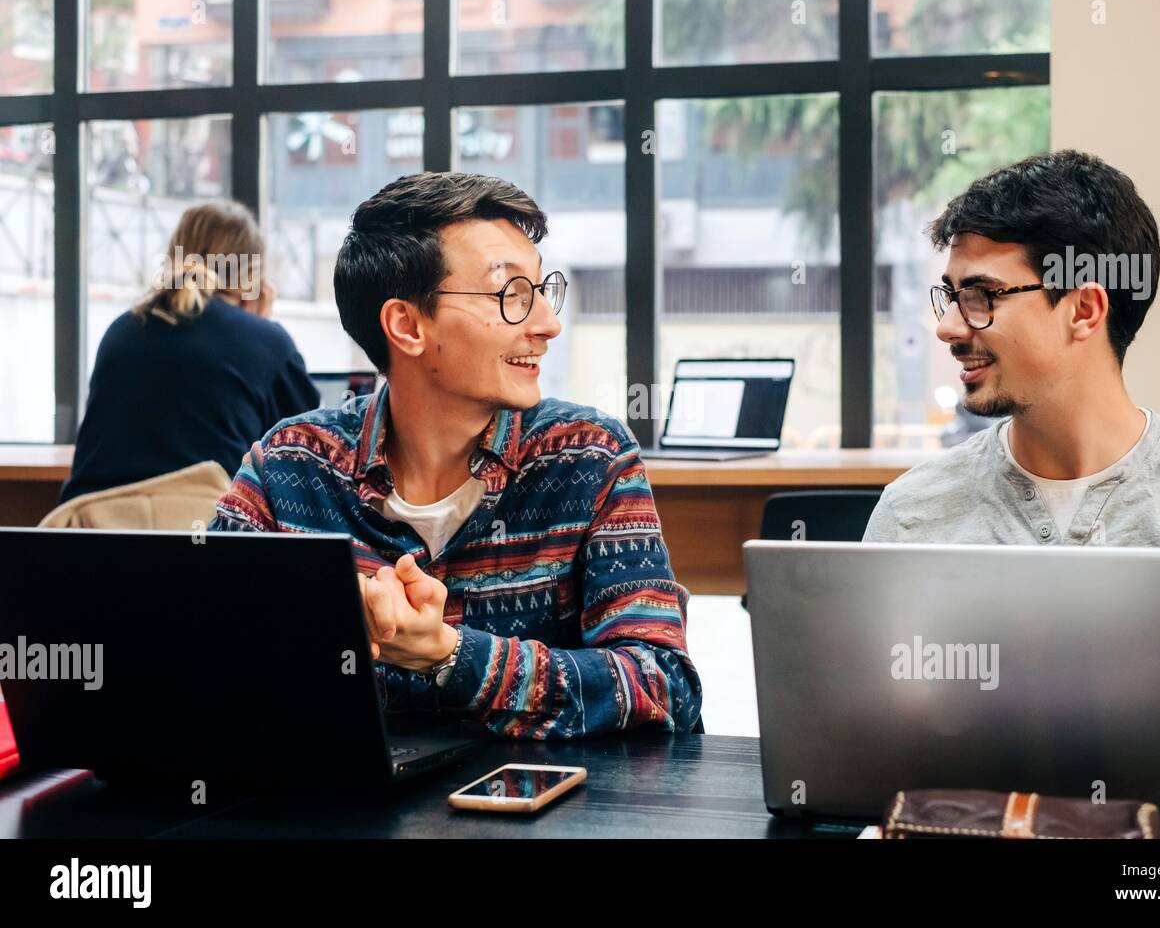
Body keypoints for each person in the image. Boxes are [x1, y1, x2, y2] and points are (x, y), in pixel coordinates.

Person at [210, 171, 703, 739]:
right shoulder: (288, 466)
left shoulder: (589, 457)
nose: (548, 323)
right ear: (407, 325)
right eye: (511, 295)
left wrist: (451, 655)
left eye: (543, 290)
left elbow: (665, 687)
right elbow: (203, 664)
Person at [864, 150, 1160, 763]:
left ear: (1085, 310)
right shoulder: (912, 512)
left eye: (982, 295)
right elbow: (872, 749)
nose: (950, 329)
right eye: (951, 295)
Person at [61, 200, 318, 502]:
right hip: (211, 539)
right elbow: (309, 456)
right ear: (253, 279)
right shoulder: (267, 344)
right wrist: (261, 332)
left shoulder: (121, 330)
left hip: (91, 538)